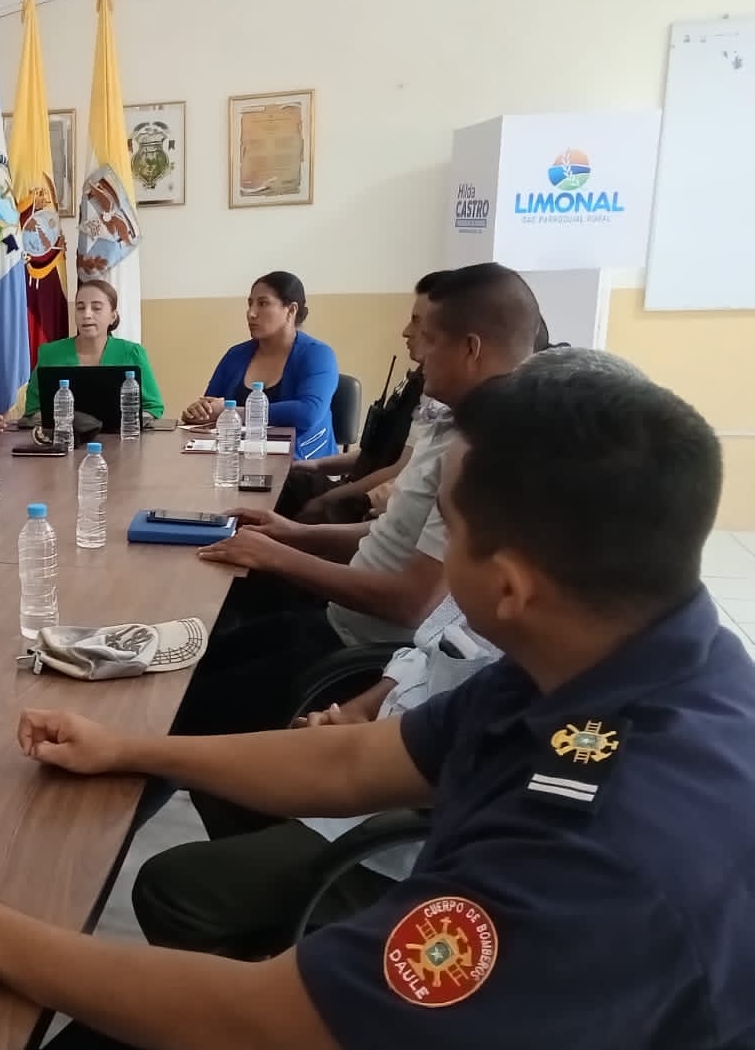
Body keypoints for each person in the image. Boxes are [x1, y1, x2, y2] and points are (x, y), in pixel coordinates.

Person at [0, 349, 755, 1050]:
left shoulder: (614, 848)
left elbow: (268, 1035)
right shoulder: (595, 655)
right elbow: (353, 763)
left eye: (451, 529)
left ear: (509, 586)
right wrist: (133, 750)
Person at [164, 263, 539, 743]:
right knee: (198, 660)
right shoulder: (450, 427)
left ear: (471, 349)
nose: (409, 338)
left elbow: (413, 604)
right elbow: (391, 535)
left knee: (186, 706)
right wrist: (294, 533)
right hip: (339, 624)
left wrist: (278, 557)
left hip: (362, 656)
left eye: (427, 334)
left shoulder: (484, 455)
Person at [133, 595, 500, 957]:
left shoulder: (518, 677)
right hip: (369, 767)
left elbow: (372, 774)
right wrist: (355, 713)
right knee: (217, 777)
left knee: (171, 889)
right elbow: (424, 654)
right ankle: (271, 930)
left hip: (394, 843)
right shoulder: (495, 588)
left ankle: (274, 978)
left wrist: (128, 750)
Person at [279, 271, 453, 523]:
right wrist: (319, 465)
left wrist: (328, 500)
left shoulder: (437, 399)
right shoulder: (417, 381)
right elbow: (376, 454)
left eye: (417, 321)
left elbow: (399, 470)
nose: (406, 332)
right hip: (357, 485)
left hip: (368, 501)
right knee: (283, 479)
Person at [180, 272, 338, 460]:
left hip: (301, 465)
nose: (251, 313)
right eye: (250, 304)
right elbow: (211, 407)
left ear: (291, 310)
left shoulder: (317, 354)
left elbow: (308, 413)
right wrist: (198, 413)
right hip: (237, 459)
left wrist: (232, 412)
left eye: (263, 303)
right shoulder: (235, 355)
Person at [21, 279, 165, 420]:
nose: (86, 315)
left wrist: (126, 421)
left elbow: (153, 407)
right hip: (63, 434)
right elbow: (33, 410)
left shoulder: (132, 353)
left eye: (96, 308)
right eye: (80, 308)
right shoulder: (50, 354)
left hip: (122, 434)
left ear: (113, 316)